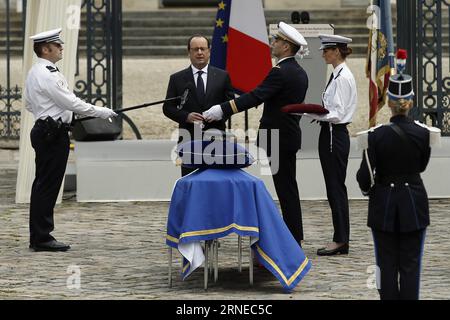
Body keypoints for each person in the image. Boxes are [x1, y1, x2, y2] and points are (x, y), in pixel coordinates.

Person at [203, 22, 309, 246]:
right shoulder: (299, 72)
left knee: (285, 188)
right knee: (288, 187)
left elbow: (255, 96)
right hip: (288, 136)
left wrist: (221, 109)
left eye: (278, 41)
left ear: (288, 47)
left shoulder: (280, 72)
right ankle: (294, 234)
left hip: (278, 138)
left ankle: (292, 237)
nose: (274, 43)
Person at [356, 49, 441, 299]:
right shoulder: (425, 133)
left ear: (389, 102)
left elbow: (364, 178)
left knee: (385, 265)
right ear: (411, 101)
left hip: (383, 203)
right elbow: (422, 166)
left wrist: (370, 189)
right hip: (414, 202)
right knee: (411, 265)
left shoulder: (374, 136)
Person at [25, 28, 117, 252]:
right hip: (52, 134)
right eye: (57, 46)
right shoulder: (47, 74)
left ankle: (39, 235)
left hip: (46, 129)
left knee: (43, 184)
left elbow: (29, 104)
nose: (61, 48)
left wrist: (53, 113)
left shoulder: (35, 71)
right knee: (47, 185)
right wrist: (101, 111)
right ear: (46, 49)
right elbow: (72, 102)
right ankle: (42, 237)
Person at [302, 34, 357, 256]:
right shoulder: (338, 74)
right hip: (331, 133)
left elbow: (337, 113)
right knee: (334, 187)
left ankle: (340, 239)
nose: (323, 54)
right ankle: (341, 237)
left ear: (336, 51)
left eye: (326, 50)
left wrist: (310, 112)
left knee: (335, 188)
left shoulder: (342, 77)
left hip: (335, 133)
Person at [162, 34, 234, 176]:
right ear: (189, 52)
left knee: (217, 179)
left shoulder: (222, 76)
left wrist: (219, 116)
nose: (199, 52)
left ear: (209, 51)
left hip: (216, 137)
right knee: (191, 181)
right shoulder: (177, 78)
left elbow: (230, 104)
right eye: (195, 49)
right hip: (188, 138)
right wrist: (186, 116)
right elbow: (168, 108)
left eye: (202, 49)